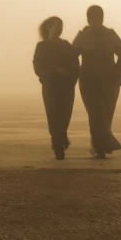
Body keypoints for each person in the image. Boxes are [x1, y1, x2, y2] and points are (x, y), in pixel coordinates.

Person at [73, 6, 121, 159]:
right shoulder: (83, 36)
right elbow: (71, 55)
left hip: (109, 81)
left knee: (107, 113)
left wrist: (120, 73)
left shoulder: (110, 35)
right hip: (89, 81)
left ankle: (100, 144)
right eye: (92, 18)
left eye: (98, 17)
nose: (95, 21)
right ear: (88, 19)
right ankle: (99, 147)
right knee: (96, 113)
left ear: (102, 18)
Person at [33, 16, 80, 160]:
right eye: (57, 26)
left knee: (65, 115)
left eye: (61, 26)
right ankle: (58, 143)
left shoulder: (66, 45)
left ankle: (61, 138)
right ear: (49, 27)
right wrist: (54, 71)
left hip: (66, 85)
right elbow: (38, 66)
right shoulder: (42, 46)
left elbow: (75, 63)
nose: (59, 29)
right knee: (53, 114)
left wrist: (70, 73)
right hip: (51, 86)